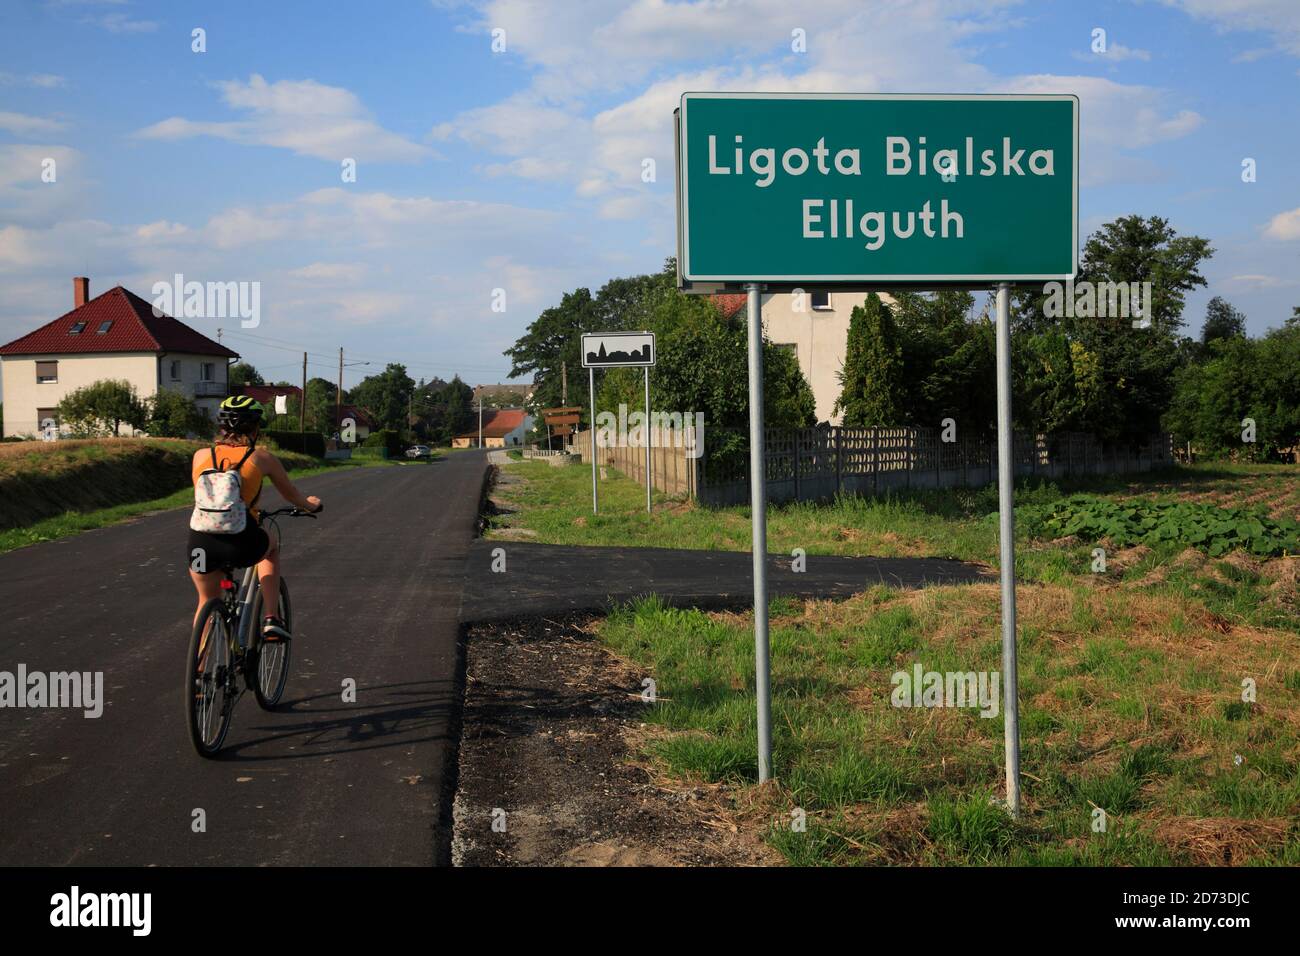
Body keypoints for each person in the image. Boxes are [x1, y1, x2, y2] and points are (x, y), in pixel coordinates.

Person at [187, 395, 322, 641]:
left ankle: (198, 671)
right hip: (242, 540)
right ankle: (272, 617)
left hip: (201, 543)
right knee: (270, 548)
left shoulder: (199, 456)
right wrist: (311, 505)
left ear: (222, 427)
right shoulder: (261, 458)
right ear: (256, 428)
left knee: (206, 600)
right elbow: (292, 495)